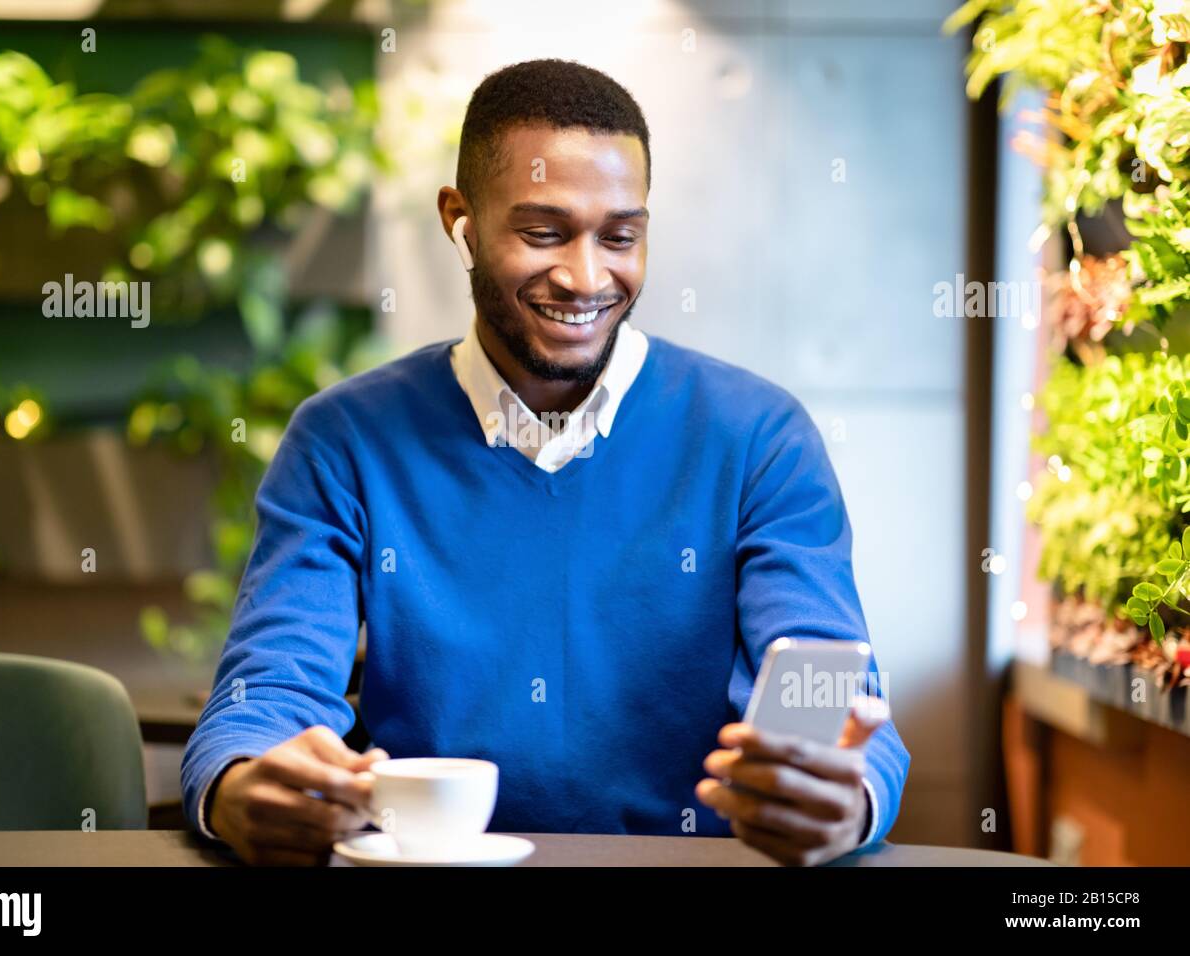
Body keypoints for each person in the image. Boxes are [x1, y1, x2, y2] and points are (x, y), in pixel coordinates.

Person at [182, 57, 910, 867]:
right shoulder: (344, 440)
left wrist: (840, 792)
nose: (586, 277)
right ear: (459, 219)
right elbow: (264, 699)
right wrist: (244, 783)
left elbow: (834, 702)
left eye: (621, 236)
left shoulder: (759, 438)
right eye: (543, 233)